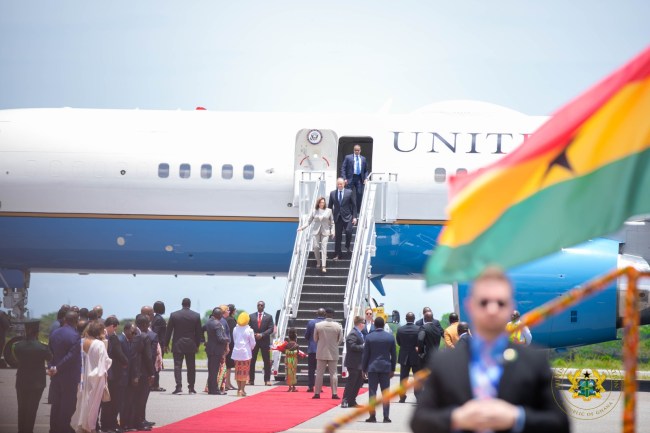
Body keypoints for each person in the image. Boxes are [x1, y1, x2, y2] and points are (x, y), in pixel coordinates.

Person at [411, 267, 570, 433]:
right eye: (484, 302)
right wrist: (457, 418)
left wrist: (516, 417)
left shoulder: (534, 362)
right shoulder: (444, 362)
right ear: (470, 307)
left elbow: (560, 423)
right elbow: (419, 421)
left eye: (500, 303)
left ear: (510, 308)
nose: (492, 309)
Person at [71, 320, 112, 433]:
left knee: (80, 402)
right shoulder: (99, 344)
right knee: (93, 405)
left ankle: (80, 426)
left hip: (81, 377)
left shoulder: (81, 341)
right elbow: (105, 362)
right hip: (96, 378)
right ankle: (89, 428)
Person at [14, 320, 52, 433]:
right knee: (32, 409)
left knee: (22, 408)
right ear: (37, 332)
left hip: (21, 381)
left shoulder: (18, 346)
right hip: (37, 383)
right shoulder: (42, 347)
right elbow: (49, 358)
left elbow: (16, 357)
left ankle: (21, 430)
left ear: (26, 331)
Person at [48, 311, 81, 433]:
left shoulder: (54, 333)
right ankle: (63, 428)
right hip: (69, 376)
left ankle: (53, 428)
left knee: (56, 403)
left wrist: (51, 367)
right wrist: (58, 367)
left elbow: (50, 352)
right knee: (68, 404)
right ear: (76, 321)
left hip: (55, 375)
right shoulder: (75, 335)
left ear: (65, 320)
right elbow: (71, 356)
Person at [361, 316, 396, 423]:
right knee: (385, 393)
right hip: (385, 368)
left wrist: (364, 368)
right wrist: (393, 369)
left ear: (375, 325)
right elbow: (394, 355)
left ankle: (372, 416)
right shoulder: (390, 337)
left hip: (372, 368)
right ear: (384, 325)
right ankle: (386, 417)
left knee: (372, 393)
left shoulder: (369, 337)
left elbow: (365, 355)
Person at [165, 298, 202, 394]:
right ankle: (191, 387)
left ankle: (178, 386)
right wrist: (197, 345)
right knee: (191, 367)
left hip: (178, 344)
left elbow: (168, 331)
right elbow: (199, 332)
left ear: (182, 304)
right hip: (191, 344)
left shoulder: (174, 315)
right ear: (189, 304)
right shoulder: (196, 316)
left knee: (177, 366)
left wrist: (165, 344)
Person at [100, 316, 129, 433]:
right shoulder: (113, 338)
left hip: (104, 373)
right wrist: (126, 362)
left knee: (105, 402)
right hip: (114, 374)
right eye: (115, 328)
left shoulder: (100, 336)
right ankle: (112, 424)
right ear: (113, 326)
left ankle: (104, 424)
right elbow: (120, 355)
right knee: (114, 401)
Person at [297, 196, 334, 272]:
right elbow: (309, 222)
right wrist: (302, 227)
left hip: (325, 231)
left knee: (324, 247)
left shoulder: (329, 211)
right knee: (316, 247)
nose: (322, 204)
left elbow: (332, 222)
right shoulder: (314, 211)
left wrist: (333, 231)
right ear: (318, 203)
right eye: (321, 202)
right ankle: (318, 262)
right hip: (316, 231)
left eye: (323, 202)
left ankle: (323, 266)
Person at [312, 307, 343, 400]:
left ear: (325, 314)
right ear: (333, 315)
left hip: (321, 351)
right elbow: (340, 340)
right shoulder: (338, 326)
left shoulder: (318, 325)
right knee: (333, 373)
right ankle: (334, 393)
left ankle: (317, 393)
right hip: (333, 352)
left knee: (319, 373)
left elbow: (315, 339)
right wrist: (334, 345)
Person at [328, 177, 357, 259]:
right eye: (338, 184)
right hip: (337, 217)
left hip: (348, 217)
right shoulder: (332, 193)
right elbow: (330, 207)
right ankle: (338, 254)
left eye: (341, 184)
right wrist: (329, 218)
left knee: (348, 231)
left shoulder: (349, 192)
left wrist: (354, 217)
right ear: (337, 184)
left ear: (344, 184)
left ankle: (347, 246)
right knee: (338, 236)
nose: (339, 185)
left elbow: (354, 205)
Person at [396, 312, 420, 403]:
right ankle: (418, 396)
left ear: (406, 319)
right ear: (414, 319)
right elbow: (420, 341)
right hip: (415, 356)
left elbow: (399, 342)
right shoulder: (418, 329)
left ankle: (402, 397)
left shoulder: (400, 329)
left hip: (404, 356)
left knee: (403, 378)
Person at [341, 315, 365, 408]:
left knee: (358, 382)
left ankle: (352, 400)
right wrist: (363, 347)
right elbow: (352, 346)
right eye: (363, 323)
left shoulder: (359, 333)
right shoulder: (353, 333)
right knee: (351, 382)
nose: (364, 324)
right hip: (353, 363)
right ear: (360, 324)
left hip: (358, 363)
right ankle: (345, 400)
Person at [249, 300, 274, 386]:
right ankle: (251, 380)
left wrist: (262, 334)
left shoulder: (269, 317)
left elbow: (271, 328)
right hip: (254, 341)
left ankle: (267, 380)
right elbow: (249, 328)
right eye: (258, 305)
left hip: (264, 341)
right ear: (257, 306)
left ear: (264, 306)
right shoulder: (251, 316)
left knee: (266, 361)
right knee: (252, 361)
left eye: (261, 305)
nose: (260, 306)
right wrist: (255, 334)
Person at [205, 307, 230, 395]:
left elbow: (201, 329)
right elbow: (220, 338)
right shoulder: (218, 324)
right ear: (218, 315)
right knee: (214, 371)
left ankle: (211, 389)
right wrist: (227, 339)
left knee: (211, 370)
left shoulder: (208, 322)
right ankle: (214, 390)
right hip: (216, 350)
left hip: (210, 349)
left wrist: (203, 340)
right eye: (220, 315)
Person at [231, 312, 256, 397]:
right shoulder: (250, 330)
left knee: (238, 372)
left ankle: (239, 390)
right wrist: (250, 348)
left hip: (236, 353)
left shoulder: (235, 329)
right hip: (245, 353)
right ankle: (242, 390)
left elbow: (234, 340)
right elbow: (253, 343)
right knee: (244, 372)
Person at [340, 144, 368, 213]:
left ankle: (358, 211)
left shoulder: (363, 159)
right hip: (350, 178)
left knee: (359, 194)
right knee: (348, 194)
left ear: (360, 150)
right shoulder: (348, 157)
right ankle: (348, 210)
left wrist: (366, 178)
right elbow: (343, 168)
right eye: (355, 150)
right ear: (354, 150)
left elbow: (366, 170)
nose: (357, 151)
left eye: (358, 150)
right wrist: (344, 178)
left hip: (359, 178)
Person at [304, 308, 326, 392]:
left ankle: (310, 386)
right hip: (323, 350)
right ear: (324, 314)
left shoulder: (311, 322)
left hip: (312, 349)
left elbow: (306, 336)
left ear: (317, 314)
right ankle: (319, 387)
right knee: (320, 370)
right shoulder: (326, 323)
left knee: (311, 369)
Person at [151, 301, 167, 392]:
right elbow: (156, 333)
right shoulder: (159, 319)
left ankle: (154, 384)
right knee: (157, 365)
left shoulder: (155, 318)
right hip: (158, 344)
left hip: (157, 344)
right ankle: (155, 385)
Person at [224, 304, 237, 390]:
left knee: (228, 366)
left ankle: (228, 383)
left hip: (227, 344)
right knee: (228, 366)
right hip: (230, 345)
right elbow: (232, 334)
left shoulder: (225, 319)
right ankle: (227, 384)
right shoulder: (231, 320)